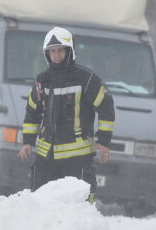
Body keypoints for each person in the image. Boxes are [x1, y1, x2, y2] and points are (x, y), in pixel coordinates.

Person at [18, 27, 115, 202]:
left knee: (78, 206)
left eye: (60, 51)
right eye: (52, 51)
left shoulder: (86, 79)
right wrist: (28, 142)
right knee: (39, 204)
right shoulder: (42, 80)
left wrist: (103, 142)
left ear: (69, 51)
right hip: (46, 158)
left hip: (77, 159)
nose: (56, 55)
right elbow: (32, 112)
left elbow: (106, 106)